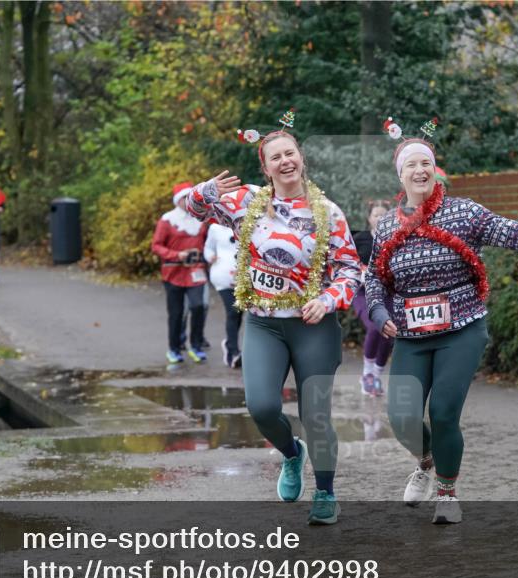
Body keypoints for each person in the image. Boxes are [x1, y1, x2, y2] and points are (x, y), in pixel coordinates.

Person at [366, 119, 518, 525]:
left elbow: (513, 232)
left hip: (461, 328)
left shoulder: (464, 213)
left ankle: (447, 492)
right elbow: (374, 276)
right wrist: (378, 312)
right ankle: (426, 462)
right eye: (411, 165)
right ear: (401, 175)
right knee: (403, 418)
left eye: (426, 163)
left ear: (435, 169)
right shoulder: (390, 224)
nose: (420, 171)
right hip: (410, 334)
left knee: (443, 412)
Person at [186, 112, 362, 524]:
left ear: (301, 158)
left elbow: (351, 270)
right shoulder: (247, 201)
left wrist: (329, 300)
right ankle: (290, 453)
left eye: (290, 153)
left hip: (312, 325)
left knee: (315, 414)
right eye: (275, 157)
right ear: (264, 168)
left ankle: (325, 491)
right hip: (264, 322)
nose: (285, 161)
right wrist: (205, 189)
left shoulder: (328, 213)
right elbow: (194, 209)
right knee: (263, 407)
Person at [152, 181, 210, 364]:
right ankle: (174, 348)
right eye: (184, 198)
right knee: (176, 313)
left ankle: (196, 345)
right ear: (177, 201)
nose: (187, 201)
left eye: (190, 197)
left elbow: (208, 243)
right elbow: (156, 246)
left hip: (196, 272)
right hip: (173, 273)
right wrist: (177, 255)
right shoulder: (167, 220)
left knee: (198, 306)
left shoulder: (201, 219)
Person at [350, 199, 393, 396]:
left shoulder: (395, 239)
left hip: (387, 294)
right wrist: (361, 274)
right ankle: (367, 373)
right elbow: (347, 263)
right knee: (376, 326)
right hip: (363, 293)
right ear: (369, 218)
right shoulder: (359, 239)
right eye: (376, 215)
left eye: (384, 215)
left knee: (389, 333)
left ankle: (376, 375)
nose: (380, 219)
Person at [204, 216, 242, 368]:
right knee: (233, 311)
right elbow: (208, 248)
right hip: (223, 277)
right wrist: (210, 257)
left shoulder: (248, 222)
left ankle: (229, 343)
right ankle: (234, 351)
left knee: (239, 313)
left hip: (243, 279)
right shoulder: (215, 228)